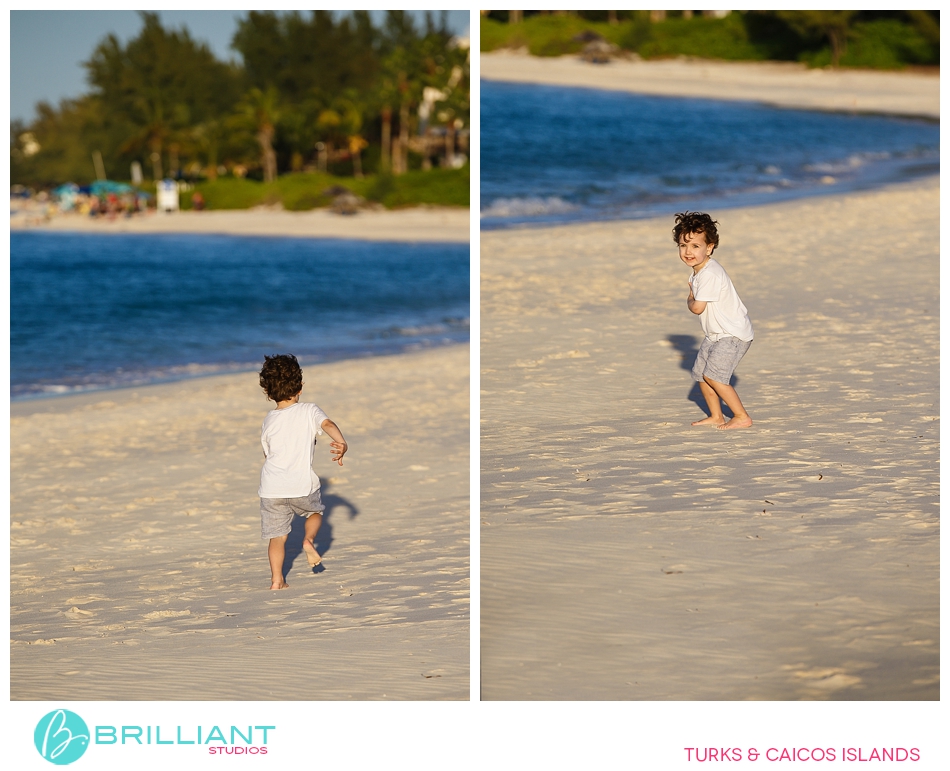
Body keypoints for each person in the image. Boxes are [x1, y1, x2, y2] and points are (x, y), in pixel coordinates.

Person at [258, 354, 348, 589]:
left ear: (267, 392)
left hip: (271, 488)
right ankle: (308, 541)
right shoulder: (309, 410)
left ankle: (277, 580)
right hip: (301, 484)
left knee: (277, 537)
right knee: (315, 513)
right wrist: (341, 442)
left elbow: (267, 454)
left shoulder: (269, 419)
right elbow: (327, 424)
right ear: (300, 386)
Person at [675, 211, 754, 430]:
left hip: (732, 334)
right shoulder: (698, 272)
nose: (688, 251)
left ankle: (741, 416)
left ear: (709, 247)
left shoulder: (709, 273)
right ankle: (717, 416)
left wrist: (689, 299)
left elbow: (697, 308)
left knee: (715, 376)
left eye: (695, 246)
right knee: (701, 375)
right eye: (683, 245)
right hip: (716, 335)